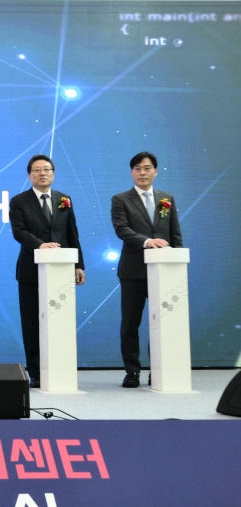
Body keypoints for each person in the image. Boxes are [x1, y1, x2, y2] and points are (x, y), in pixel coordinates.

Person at [9, 154, 85, 388]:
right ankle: (36, 372)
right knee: (32, 323)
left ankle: (60, 367)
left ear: (53, 173)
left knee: (58, 319)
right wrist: (40, 245)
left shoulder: (64, 199)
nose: (43, 173)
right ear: (30, 175)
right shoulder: (19, 201)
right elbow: (19, 232)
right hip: (30, 270)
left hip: (60, 270)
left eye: (47, 169)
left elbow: (72, 233)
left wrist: (78, 264)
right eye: (37, 170)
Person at [111, 151, 182, 388]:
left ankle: (158, 369)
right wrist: (147, 241)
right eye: (138, 169)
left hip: (163, 272)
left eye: (147, 168)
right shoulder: (120, 199)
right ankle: (132, 371)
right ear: (132, 173)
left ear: (156, 171)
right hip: (133, 271)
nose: (143, 173)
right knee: (130, 324)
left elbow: (174, 233)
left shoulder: (166, 199)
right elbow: (122, 229)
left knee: (162, 322)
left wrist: (176, 259)